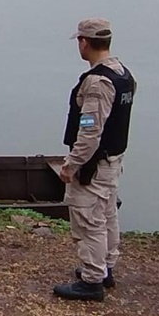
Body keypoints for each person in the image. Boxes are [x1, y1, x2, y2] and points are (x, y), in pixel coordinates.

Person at [53, 18, 136, 301]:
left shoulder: (98, 83)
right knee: (107, 215)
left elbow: (89, 132)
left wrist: (71, 165)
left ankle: (91, 280)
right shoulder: (123, 75)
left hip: (95, 165)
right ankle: (105, 268)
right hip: (112, 161)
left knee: (89, 220)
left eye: (79, 40)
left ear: (84, 43)